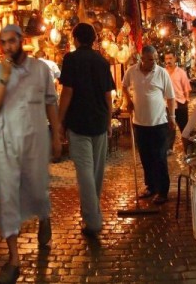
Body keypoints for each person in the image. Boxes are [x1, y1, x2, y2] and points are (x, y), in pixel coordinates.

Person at [0, 24, 62, 284]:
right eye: (3, 43)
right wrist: (5, 78)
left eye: (12, 41)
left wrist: (57, 136)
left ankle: (44, 215)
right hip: (6, 143)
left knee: (38, 189)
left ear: (22, 41)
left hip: (36, 141)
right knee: (7, 197)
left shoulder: (41, 70)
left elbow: (51, 103)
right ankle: (14, 259)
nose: (8, 47)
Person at [58, 23, 115, 237]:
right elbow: (108, 95)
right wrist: (109, 121)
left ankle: (92, 221)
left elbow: (67, 92)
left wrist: (60, 122)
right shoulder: (102, 61)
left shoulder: (71, 60)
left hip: (79, 123)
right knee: (96, 173)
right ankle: (90, 213)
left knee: (85, 174)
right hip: (99, 121)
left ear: (75, 38)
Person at [122, 45, 176, 205]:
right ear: (142, 58)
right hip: (139, 123)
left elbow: (171, 97)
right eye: (150, 59)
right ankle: (150, 186)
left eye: (155, 59)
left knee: (159, 157)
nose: (153, 62)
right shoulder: (132, 71)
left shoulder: (161, 73)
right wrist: (128, 100)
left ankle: (162, 191)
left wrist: (172, 117)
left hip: (159, 123)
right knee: (145, 157)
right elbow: (124, 86)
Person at [163, 51, 191, 154]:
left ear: (175, 59)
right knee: (169, 127)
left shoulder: (181, 72)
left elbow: (186, 87)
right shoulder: (163, 73)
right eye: (166, 59)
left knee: (184, 127)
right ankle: (169, 148)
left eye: (170, 58)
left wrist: (187, 99)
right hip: (167, 104)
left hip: (180, 102)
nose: (168, 61)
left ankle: (188, 148)